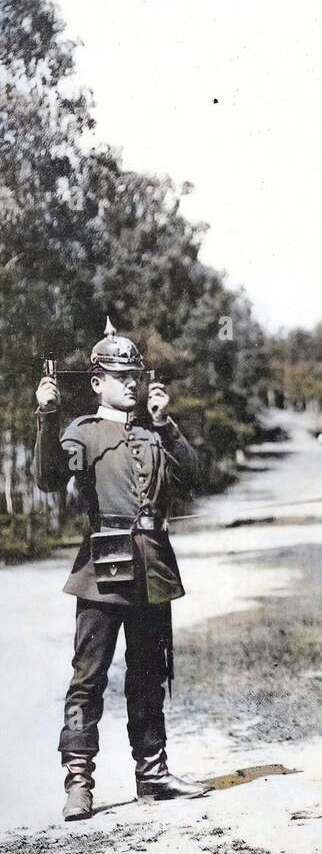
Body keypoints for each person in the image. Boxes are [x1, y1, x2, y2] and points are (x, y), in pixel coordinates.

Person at [34, 319, 205, 820]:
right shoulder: (82, 432)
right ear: (97, 383)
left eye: (136, 376)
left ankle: (152, 774)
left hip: (152, 567)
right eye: (121, 376)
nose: (132, 384)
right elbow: (47, 480)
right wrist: (46, 415)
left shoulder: (155, 432)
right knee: (89, 677)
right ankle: (79, 782)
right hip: (101, 569)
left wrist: (167, 423)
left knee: (149, 673)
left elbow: (194, 476)